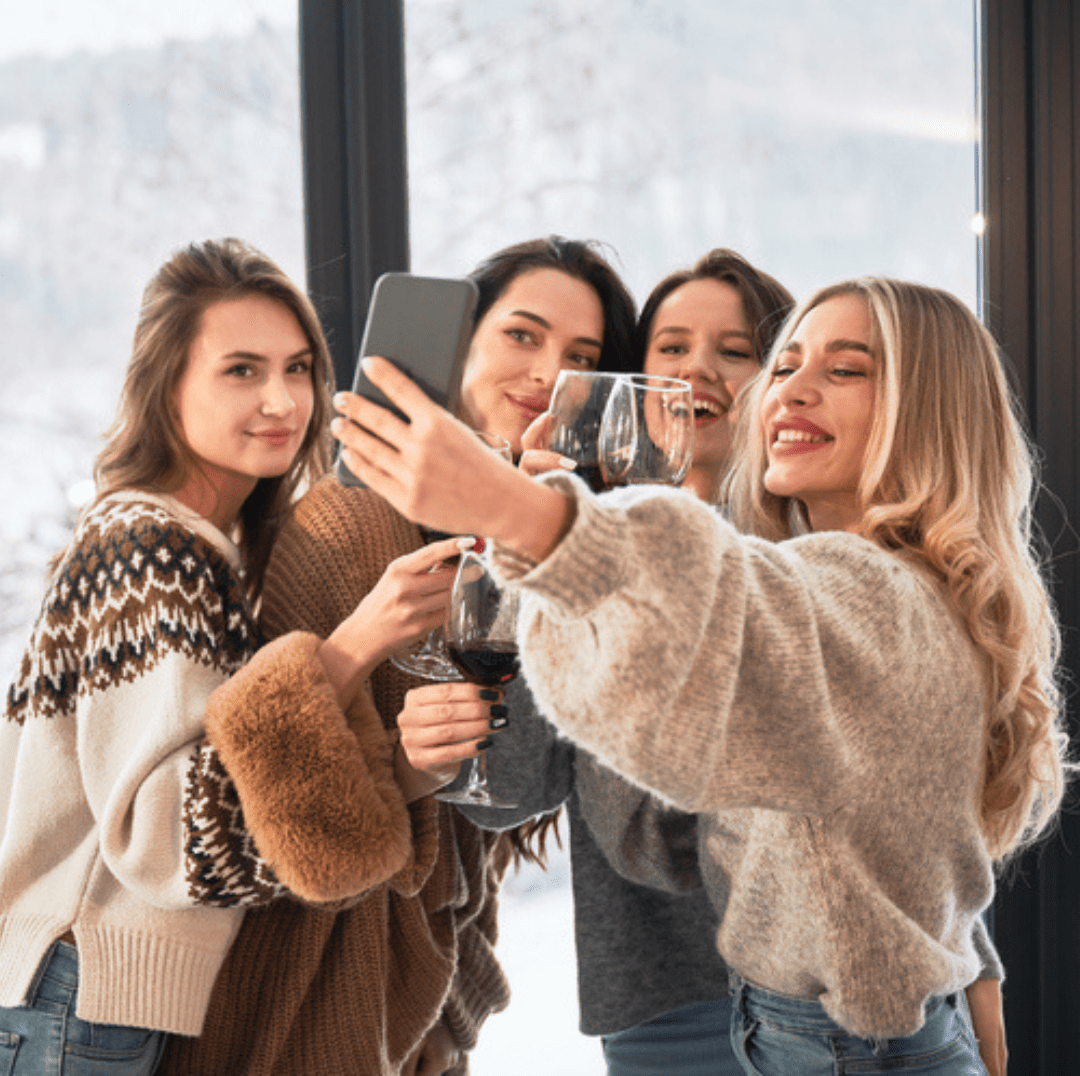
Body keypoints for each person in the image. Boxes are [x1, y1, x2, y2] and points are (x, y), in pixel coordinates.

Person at [331, 277, 1068, 1076]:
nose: (794, 390)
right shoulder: (863, 574)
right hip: (776, 1022)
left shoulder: (839, 583)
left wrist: (522, 511)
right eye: (786, 366)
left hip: (836, 1039)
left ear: (931, 410)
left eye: (846, 369)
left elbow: (729, 610)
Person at [158, 234, 635, 1076]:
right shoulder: (352, 525)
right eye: (522, 336)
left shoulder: (511, 542)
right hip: (317, 1010)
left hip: (420, 1015)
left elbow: (507, 793)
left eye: (580, 356)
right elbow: (295, 811)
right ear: (460, 342)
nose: (545, 373)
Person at [411, 248, 793, 1076]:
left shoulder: (817, 554)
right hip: (664, 1004)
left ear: (775, 377)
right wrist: (530, 560)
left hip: (834, 996)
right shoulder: (584, 552)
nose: (700, 368)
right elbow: (508, 791)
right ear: (635, 385)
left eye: (735, 350)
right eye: (672, 348)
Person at [0, 238, 335, 1073]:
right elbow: (167, 837)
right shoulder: (154, 550)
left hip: (78, 996)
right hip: (82, 993)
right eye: (242, 370)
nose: (283, 399)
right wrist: (355, 652)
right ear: (166, 385)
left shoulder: (188, 546)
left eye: (298, 369)